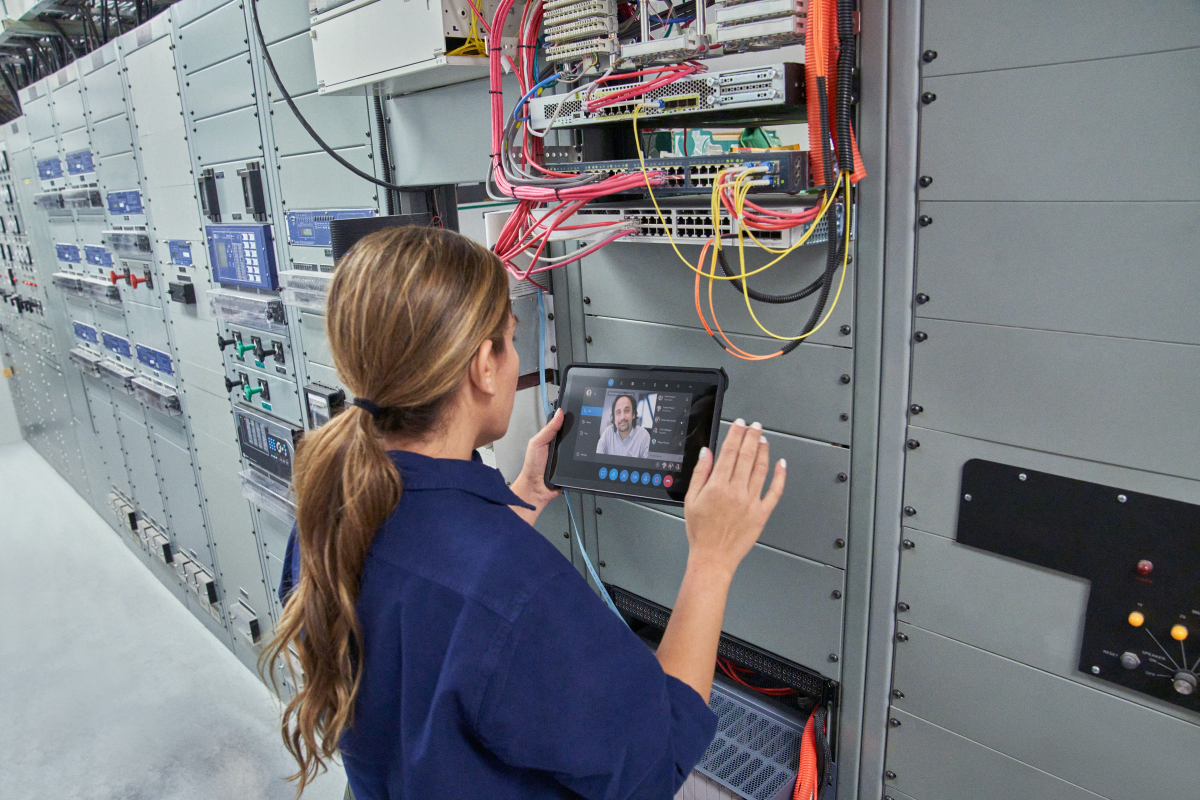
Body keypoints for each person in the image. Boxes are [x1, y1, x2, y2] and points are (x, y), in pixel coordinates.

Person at [265, 226, 786, 800]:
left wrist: (527, 495)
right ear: (483, 367)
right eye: (510, 340)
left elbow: (438, 604)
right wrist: (712, 559)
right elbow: (656, 758)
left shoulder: (328, 513)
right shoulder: (519, 590)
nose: (515, 360)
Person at [595, 393, 651, 458]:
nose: (622, 417)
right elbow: (597, 457)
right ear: (614, 418)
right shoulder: (608, 432)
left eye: (626, 411)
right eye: (618, 412)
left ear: (633, 414)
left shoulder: (644, 436)